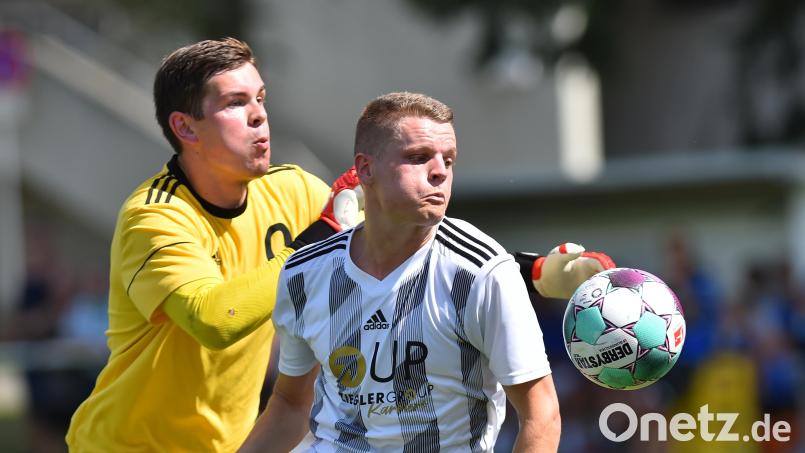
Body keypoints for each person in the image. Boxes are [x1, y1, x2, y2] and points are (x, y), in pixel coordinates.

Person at [239, 92, 580, 452]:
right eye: (418, 158)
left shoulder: (482, 270)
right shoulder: (305, 272)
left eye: (448, 160)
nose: (440, 172)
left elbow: (541, 415)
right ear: (365, 169)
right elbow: (291, 405)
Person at [66, 38, 360, 452]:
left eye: (260, 98)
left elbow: (366, 247)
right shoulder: (153, 216)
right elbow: (216, 321)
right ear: (185, 127)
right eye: (235, 103)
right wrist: (317, 243)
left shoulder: (295, 191)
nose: (259, 115)